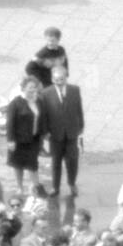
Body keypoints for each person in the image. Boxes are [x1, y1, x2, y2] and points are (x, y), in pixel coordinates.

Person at [41, 65, 83, 198]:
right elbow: (44, 115)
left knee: (73, 160)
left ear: (66, 78)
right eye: (56, 79)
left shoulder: (75, 90)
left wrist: (80, 127)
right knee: (56, 162)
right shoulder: (46, 93)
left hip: (71, 133)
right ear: (52, 79)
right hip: (55, 134)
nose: (59, 82)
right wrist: (45, 132)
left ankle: (72, 183)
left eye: (62, 79)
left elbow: (79, 110)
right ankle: (55, 187)